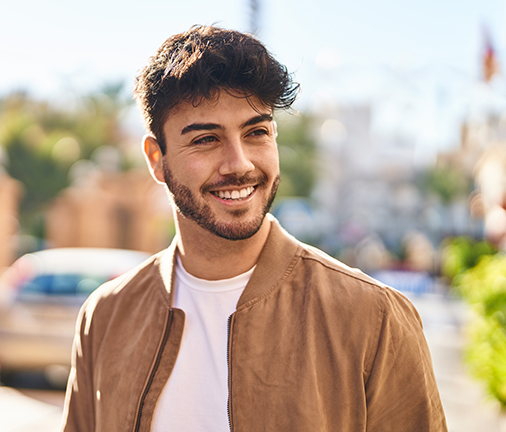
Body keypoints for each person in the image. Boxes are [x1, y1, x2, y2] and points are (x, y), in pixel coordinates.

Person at [61, 25, 447, 432]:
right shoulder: (106, 316)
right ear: (157, 158)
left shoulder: (373, 318)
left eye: (256, 132)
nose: (240, 164)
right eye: (206, 139)